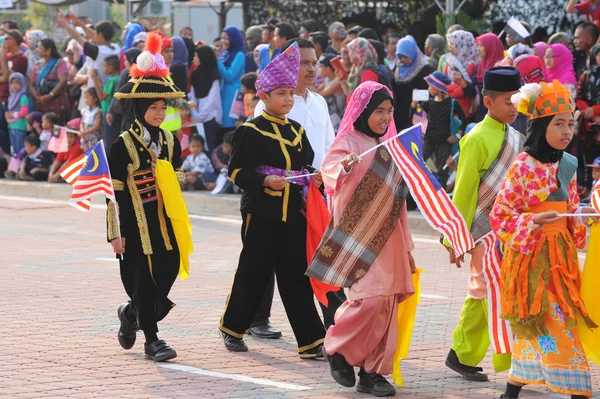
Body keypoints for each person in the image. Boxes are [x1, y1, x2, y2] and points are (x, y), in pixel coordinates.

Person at [218, 42, 327, 357]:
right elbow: (237, 172)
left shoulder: (296, 131)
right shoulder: (250, 132)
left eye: (290, 94)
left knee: (296, 277)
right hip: (261, 213)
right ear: (263, 97)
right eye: (281, 94)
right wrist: (264, 181)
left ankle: (310, 340)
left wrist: (312, 175)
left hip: (294, 213)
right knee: (253, 274)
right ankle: (233, 328)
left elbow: (303, 166)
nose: (288, 100)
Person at [493, 79, 599, 399]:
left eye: (570, 123)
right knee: (546, 318)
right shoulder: (523, 165)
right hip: (531, 258)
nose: (567, 131)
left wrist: (583, 218)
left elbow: (569, 211)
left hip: (561, 259)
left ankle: (514, 387)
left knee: (547, 321)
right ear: (540, 126)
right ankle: (576, 389)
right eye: (558, 123)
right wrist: (532, 220)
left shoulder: (567, 163)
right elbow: (501, 214)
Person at [318, 81, 415, 397]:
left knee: (387, 305)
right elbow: (330, 168)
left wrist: (409, 248)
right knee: (369, 300)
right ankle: (337, 347)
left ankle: (373, 374)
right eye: (378, 111)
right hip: (358, 237)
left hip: (390, 238)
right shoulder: (348, 141)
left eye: (389, 111)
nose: (385, 118)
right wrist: (343, 166)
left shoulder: (391, 146)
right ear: (362, 111)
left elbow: (399, 201)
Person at [110, 31, 188, 362]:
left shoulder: (171, 142)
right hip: (133, 224)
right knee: (142, 280)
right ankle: (152, 341)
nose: (159, 112)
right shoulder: (122, 144)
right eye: (153, 107)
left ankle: (130, 315)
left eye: (162, 107)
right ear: (140, 107)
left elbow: (179, 178)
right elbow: (111, 194)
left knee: (166, 274)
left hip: (166, 223)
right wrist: (115, 232)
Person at [253, 38, 340, 335]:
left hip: (315, 190)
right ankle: (256, 318)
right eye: (304, 62)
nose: (312, 68)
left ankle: (332, 321)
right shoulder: (270, 103)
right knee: (266, 258)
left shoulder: (319, 102)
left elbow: (330, 145)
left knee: (320, 254)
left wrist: (331, 175)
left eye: (314, 62)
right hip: (280, 190)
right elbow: (258, 150)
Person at [443, 67, 523, 382]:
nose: (514, 106)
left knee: (490, 291)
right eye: (507, 100)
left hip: (509, 229)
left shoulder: (517, 136)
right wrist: (454, 238)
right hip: (482, 230)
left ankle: (462, 354)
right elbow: (463, 191)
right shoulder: (475, 137)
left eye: (517, 99)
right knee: (485, 290)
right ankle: (473, 354)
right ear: (488, 101)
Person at [412, 71, 467, 189]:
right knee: (418, 161)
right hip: (429, 139)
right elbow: (416, 118)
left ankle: (442, 197)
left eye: (430, 86)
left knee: (443, 169)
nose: (428, 89)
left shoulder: (451, 103)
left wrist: (457, 135)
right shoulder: (429, 103)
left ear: (438, 88)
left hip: (444, 142)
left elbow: (464, 119)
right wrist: (415, 103)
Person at [56, 12, 120, 89]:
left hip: (96, 92)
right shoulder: (116, 48)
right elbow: (93, 35)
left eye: (95, 33)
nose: (93, 36)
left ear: (100, 35)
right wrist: (78, 22)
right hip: (108, 89)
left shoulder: (98, 52)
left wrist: (64, 22)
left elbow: (76, 36)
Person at [392, 35, 434, 130]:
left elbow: (431, 93)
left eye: (405, 57)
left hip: (416, 116)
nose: (402, 60)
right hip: (398, 116)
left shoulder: (425, 70)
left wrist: (416, 96)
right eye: (400, 57)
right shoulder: (398, 68)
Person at [575, 44, 600, 194]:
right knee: (588, 159)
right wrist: (588, 110)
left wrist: (596, 111)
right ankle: (589, 191)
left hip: (594, 117)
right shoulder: (586, 75)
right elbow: (579, 97)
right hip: (589, 126)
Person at [189, 45, 222, 154]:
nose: (194, 59)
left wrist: (200, 116)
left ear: (203, 57)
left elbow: (213, 99)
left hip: (210, 116)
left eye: (196, 56)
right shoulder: (194, 74)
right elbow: (194, 97)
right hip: (197, 116)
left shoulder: (213, 73)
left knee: (210, 145)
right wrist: (195, 113)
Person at [29, 39, 69, 125]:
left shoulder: (59, 63)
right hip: (40, 102)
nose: (38, 50)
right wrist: (36, 96)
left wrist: (50, 95)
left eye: (40, 48)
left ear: (48, 50)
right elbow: (32, 84)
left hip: (55, 102)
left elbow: (63, 81)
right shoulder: (37, 64)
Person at [0, 30, 28, 156]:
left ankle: (13, 159)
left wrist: (1, 55)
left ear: (15, 41)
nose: (4, 40)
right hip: (1, 96)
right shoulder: (7, 57)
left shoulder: (21, 58)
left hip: (11, 100)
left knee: (7, 130)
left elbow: (7, 77)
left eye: (7, 38)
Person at [444, 30, 480, 122]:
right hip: (450, 108)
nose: (449, 47)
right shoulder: (450, 63)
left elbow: (467, 91)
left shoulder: (471, 66)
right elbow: (444, 86)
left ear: (462, 46)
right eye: (450, 43)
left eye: (452, 44)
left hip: (465, 111)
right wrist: (455, 88)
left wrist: (452, 89)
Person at [107, 47, 141, 139]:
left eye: (126, 60)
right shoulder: (125, 74)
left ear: (132, 60)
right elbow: (118, 92)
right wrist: (110, 111)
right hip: (126, 115)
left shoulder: (143, 77)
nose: (124, 63)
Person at [217, 26, 246, 136]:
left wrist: (217, 61)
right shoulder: (224, 54)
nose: (223, 41)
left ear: (234, 39)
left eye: (227, 38)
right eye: (222, 38)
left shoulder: (239, 55)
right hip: (223, 96)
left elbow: (229, 76)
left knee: (230, 131)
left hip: (233, 99)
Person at [91, 55, 119, 150]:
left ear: (110, 67)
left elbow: (102, 97)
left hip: (108, 113)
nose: (103, 69)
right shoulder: (117, 78)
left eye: (104, 66)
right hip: (113, 113)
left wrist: (94, 79)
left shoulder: (112, 80)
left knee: (109, 139)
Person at [475, 33, 506, 120]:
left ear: (491, 47)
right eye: (478, 46)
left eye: (481, 46)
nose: (478, 49)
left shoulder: (501, 68)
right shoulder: (479, 66)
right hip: (481, 111)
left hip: (496, 112)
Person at [317, 53, 346, 132]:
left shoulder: (337, 82)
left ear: (328, 68)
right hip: (330, 116)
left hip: (338, 119)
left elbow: (319, 95)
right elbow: (316, 91)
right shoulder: (327, 79)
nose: (319, 69)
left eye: (321, 67)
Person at [5, 72, 29, 155]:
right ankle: (14, 166)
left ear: (22, 83)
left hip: (20, 126)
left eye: (17, 83)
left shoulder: (23, 97)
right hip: (11, 126)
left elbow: (24, 112)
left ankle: (20, 166)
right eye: (12, 83)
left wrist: (12, 115)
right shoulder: (11, 97)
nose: (14, 85)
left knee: (20, 148)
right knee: (13, 148)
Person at [79, 88, 102, 152]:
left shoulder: (97, 111)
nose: (85, 100)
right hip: (85, 135)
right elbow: (82, 122)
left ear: (95, 99)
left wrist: (86, 132)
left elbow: (97, 126)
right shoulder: (85, 110)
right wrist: (82, 130)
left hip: (93, 136)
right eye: (85, 98)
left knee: (93, 153)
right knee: (86, 153)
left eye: (87, 98)